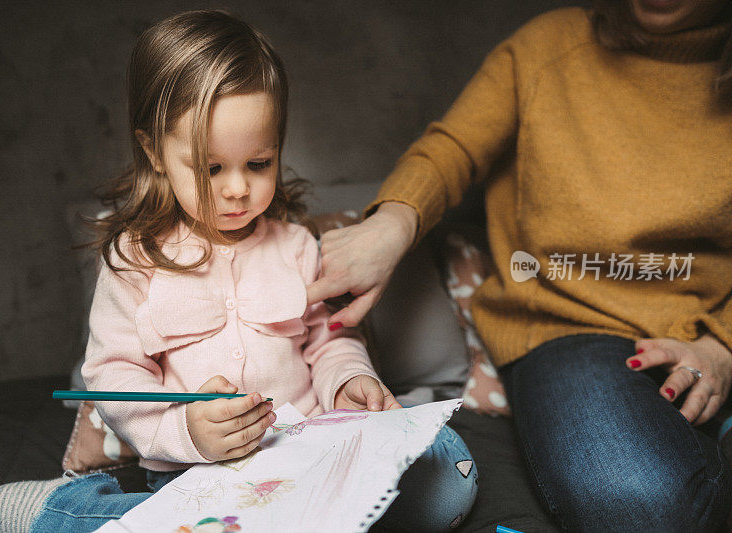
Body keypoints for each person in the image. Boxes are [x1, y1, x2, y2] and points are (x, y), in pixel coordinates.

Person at [0, 10, 477, 533]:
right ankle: (63, 511)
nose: (237, 189)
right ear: (155, 151)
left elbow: (330, 341)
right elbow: (114, 379)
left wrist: (348, 383)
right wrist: (186, 430)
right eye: (211, 168)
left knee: (447, 468)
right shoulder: (134, 260)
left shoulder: (298, 246)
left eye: (259, 164)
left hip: (308, 458)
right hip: (196, 477)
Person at [306, 0, 732, 531]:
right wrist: (391, 226)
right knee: (637, 500)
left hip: (715, 327)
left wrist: (721, 345)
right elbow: (451, 150)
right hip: (570, 328)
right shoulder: (548, 47)